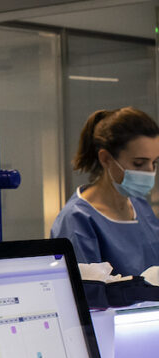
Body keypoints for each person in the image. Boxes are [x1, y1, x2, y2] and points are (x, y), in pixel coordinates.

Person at [50, 107, 159, 276]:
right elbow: (86, 288)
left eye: (154, 163)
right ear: (106, 158)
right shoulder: (77, 219)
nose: (150, 171)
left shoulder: (139, 206)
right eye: (138, 163)